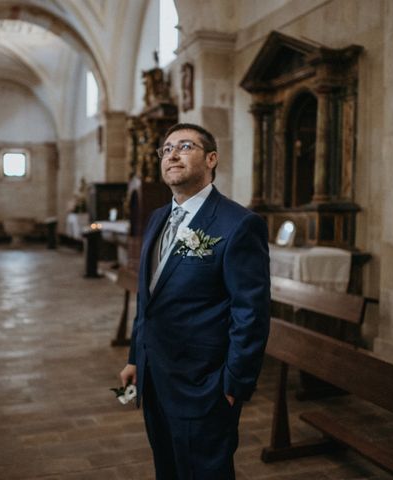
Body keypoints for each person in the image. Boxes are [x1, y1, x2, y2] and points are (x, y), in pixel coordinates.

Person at [119, 123, 270, 479]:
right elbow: (150, 299)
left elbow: (251, 312)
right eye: (166, 149)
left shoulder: (239, 224)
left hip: (205, 386)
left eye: (185, 146)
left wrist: (234, 385)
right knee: (167, 468)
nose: (172, 154)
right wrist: (135, 356)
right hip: (156, 377)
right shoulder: (158, 217)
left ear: (211, 159)